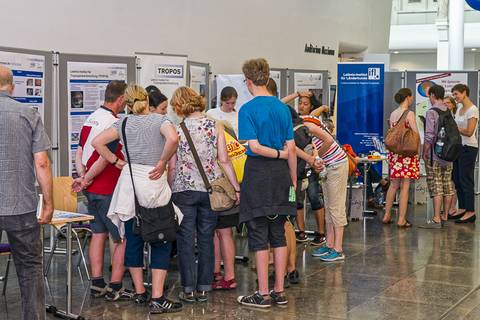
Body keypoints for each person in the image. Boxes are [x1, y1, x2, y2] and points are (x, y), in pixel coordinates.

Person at [92, 84, 182, 314]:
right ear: (146, 100)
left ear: (128, 103)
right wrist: (162, 161)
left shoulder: (122, 122)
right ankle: (158, 296)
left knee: (133, 236)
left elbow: (97, 142)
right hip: (153, 182)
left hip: (129, 184)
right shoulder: (160, 121)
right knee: (161, 237)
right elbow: (172, 139)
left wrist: (116, 161)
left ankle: (140, 292)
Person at [168, 87, 240, 303]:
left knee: (186, 239)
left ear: (179, 106)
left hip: (183, 190)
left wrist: (170, 188)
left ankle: (188, 288)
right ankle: (204, 287)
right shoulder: (215, 125)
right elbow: (224, 160)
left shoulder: (176, 129)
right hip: (210, 190)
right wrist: (236, 187)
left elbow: (172, 166)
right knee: (207, 238)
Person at [236, 58, 297, 308]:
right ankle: (279, 291)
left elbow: (254, 147)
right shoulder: (282, 109)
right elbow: (291, 148)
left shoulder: (247, 110)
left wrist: (279, 155)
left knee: (258, 234)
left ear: (249, 81)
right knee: (279, 232)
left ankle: (261, 293)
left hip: (258, 174)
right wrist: (291, 180)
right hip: (282, 175)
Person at [0, 65, 53, 320]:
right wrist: (49, 202)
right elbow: (41, 162)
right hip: (20, 205)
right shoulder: (28, 114)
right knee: (30, 268)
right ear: (12, 86)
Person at [72, 80, 132, 300]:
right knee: (121, 238)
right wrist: (87, 178)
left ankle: (97, 282)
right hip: (108, 188)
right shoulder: (114, 123)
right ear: (121, 99)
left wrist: (82, 178)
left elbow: (79, 151)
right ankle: (116, 286)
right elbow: (103, 159)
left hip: (91, 189)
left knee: (98, 233)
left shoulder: (91, 117)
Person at [383, 88, 420, 228]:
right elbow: (415, 134)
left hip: (394, 153)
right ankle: (401, 219)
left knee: (393, 185)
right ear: (408, 97)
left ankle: (387, 215)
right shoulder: (409, 114)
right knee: (405, 186)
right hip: (407, 154)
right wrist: (418, 151)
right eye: (411, 97)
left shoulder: (393, 114)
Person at [420, 85, 454, 228]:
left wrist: (425, 152)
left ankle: (436, 218)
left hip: (436, 154)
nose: (429, 98)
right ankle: (445, 215)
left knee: (437, 186)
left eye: (429, 95)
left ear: (433, 95)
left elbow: (429, 136)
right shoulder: (448, 110)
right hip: (449, 154)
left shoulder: (431, 112)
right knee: (447, 185)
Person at [450, 84, 478, 223]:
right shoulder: (460, 108)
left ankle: (471, 211)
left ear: (464, 92)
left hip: (469, 148)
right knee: (457, 179)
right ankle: (462, 208)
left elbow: (469, 131)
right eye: (453, 95)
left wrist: (454, 127)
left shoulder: (473, 110)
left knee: (466, 180)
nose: (455, 97)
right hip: (458, 147)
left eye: (456, 94)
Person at [444, 96, 458, 215]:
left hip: (457, 151)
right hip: (446, 153)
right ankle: (448, 208)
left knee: (454, 182)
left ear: (453, 104)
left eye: (448, 102)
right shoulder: (444, 118)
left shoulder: (456, 117)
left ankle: (452, 208)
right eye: (444, 103)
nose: (446, 105)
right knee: (448, 182)